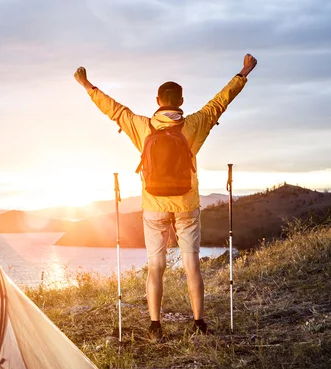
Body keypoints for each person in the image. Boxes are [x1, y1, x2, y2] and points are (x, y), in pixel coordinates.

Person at [74, 54, 257, 340]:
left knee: (156, 266)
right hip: (187, 204)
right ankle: (198, 323)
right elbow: (221, 101)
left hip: (154, 206)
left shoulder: (142, 126)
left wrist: (87, 85)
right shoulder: (196, 123)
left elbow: (114, 110)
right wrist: (243, 72)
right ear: (181, 102)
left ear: (158, 101)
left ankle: (155, 326)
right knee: (192, 263)